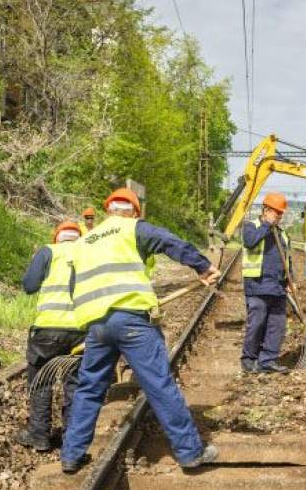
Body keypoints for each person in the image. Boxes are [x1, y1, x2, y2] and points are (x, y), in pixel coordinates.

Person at [61, 188, 221, 473]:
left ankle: (72, 455)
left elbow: (75, 287)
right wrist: (202, 265)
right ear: (134, 211)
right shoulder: (132, 228)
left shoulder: (85, 242)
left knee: (89, 388)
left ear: (108, 210)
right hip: (132, 321)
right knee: (159, 384)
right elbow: (169, 241)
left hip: (97, 326)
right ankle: (189, 452)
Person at [15, 220, 86, 452]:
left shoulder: (49, 251)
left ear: (57, 237)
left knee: (41, 380)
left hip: (47, 331)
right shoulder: (89, 253)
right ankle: (71, 440)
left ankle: (39, 434)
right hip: (80, 331)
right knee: (74, 383)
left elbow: (29, 285)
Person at [240, 192, 293, 374]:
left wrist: (289, 280)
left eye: (280, 214)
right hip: (257, 286)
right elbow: (250, 242)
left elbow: (287, 259)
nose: (279, 216)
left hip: (277, 288)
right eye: (276, 213)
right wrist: (266, 225)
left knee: (276, 326)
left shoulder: (282, 234)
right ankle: (249, 360)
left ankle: (268, 360)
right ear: (266, 210)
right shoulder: (251, 226)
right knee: (257, 324)